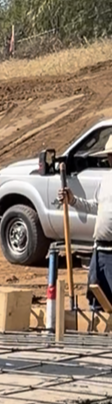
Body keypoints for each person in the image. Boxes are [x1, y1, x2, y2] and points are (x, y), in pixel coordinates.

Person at [87, 131, 112, 319]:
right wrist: (72, 201)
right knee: (96, 296)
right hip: (99, 249)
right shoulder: (106, 180)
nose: (109, 160)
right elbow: (95, 205)